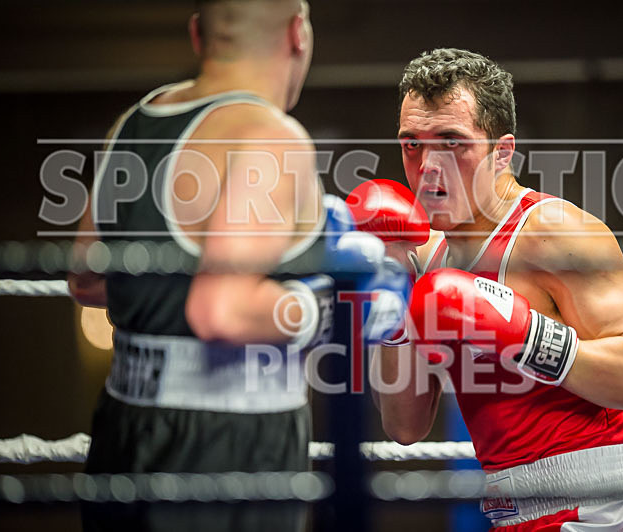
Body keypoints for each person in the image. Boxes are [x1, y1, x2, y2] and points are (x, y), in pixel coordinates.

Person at [67, 1, 406, 530]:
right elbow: (221, 311)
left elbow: (87, 280)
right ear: (297, 34)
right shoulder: (272, 135)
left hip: (123, 426)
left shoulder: (134, 122)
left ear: (198, 35)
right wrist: (338, 307)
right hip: (228, 442)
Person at [365, 48, 623, 531]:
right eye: (412, 145)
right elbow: (404, 426)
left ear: (502, 152)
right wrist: (391, 310)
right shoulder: (425, 257)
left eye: (452, 142)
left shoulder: (552, 232)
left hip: (598, 512)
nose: (427, 165)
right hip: (510, 513)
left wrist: (526, 336)